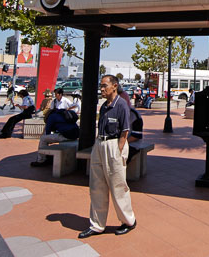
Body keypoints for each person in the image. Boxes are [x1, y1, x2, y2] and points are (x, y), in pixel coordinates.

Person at [79, 75, 137, 239]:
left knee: (118, 186)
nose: (102, 89)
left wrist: (118, 152)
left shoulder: (122, 105)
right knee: (97, 186)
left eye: (105, 86)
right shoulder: (104, 106)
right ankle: (97, 224)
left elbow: (125, 132)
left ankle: (128, 221)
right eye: (101, 86)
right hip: (100, 144)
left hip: (114, 146)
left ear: (115, 86)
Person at [30, 95, 80, 166]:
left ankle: (41, 160)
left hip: (67, 136)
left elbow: (47, 133)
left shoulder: (51, 117)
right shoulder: (62, 113)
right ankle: (46, 156)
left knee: (43, 139)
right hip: (76, 134)